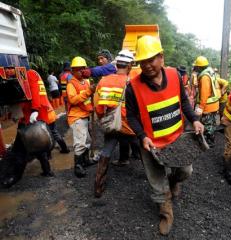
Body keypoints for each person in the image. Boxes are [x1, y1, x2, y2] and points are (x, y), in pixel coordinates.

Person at [125, 35, 204, 235]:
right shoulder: (133, 87)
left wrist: (194, 119)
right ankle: (166, 212)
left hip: (177, 139)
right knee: (157, 181)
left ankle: (175, 182)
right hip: (151, 144)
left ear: (161, 57)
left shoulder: (175, 76)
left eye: (151, 59)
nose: (147, 65)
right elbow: (132, 117)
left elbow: (184, 102)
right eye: (143, 61)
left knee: (186, 171)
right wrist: (142, 136)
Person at [93, 49, 139, 197]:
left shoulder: (104, 81)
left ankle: (98, 187)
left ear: (116, 64)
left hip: (112, 124)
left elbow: (99, 107)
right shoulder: (133, 82)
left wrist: (103, 119)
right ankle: (156, 180)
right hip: (130, 126)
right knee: (145, 151)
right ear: (130, 65)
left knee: (106, 152)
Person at [1, 69, 54, 188]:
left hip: (30, 117)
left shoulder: (28, 74)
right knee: (37, 144)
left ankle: (15, 176)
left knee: (19, 149)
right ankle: (47, 170)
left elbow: (34, 92)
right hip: (38, 115)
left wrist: (34, 110)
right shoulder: (34, 72)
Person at [67, 56, 96, 178]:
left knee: (88, 140)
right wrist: (89, 91)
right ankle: (78, 166)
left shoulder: (87, 81)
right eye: (78, 69)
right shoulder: (71, 84)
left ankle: (85, 160)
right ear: (73, 70)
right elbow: (73, 100)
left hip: (86, 115)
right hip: (77, 117)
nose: (81, 71)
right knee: (80, 142)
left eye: (82, 69)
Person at [193, 56, 220, 147]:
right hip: (214, 104)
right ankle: (211, 140)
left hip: (208, 106)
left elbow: (205, 93)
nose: (195, 68)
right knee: (212, 123)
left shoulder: (204, 76)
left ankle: (208, 143)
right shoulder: (210, 72)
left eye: (196, 67)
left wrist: (200, 107)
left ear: (200, 67)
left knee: (208, 124)